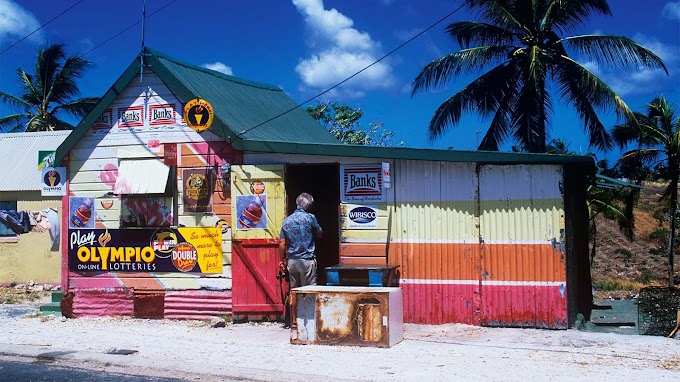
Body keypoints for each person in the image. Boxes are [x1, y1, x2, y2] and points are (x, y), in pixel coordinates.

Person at [279, 192, 323, 288]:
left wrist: (283, 260)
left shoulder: (286, 221)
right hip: (307, 260)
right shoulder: (311, 218)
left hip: (292, 261)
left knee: (294, 291)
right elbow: (319, 234)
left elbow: (282, 243)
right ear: (309, 205)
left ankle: (294, 304)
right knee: (309, 291)